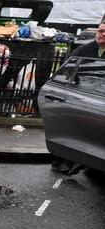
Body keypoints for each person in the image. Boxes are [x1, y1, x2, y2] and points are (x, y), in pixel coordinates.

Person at [52, 21, 105, 174]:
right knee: (71, 129)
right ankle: (60, 162)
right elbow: (66, 71)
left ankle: (89, 163)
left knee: (92, 131)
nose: (103, 34)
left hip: (99, 97)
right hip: (80, 94)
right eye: (101, 31)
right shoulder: (83, 50)